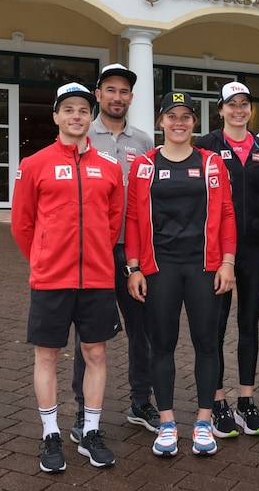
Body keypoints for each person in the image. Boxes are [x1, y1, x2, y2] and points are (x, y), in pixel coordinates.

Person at [11, 82, 123, 472]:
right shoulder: (34, 164)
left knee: (96, 354)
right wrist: (44, 258)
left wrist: (92, 256)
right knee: (47, 356)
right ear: (56, 116)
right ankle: (50, 435)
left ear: (91, 117)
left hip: (96, 280)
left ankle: (90, 431)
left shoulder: (109, 167)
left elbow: (113, 224)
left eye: (83, 110)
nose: (77, 116)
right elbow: (22, 225)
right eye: (69, 109)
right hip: (51, 280)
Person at [125, 91, 237, 457]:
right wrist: (134, 267)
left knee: (207, 344)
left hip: (204, 268)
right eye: (171, 116)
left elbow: (227, 214)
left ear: (194, 123)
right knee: (162, 346)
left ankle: (204, 421)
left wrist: (227, 262)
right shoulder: (144, 164)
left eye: (185, 116)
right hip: (160, 269)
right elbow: (132, 219)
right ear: (161, 122)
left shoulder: (210, 163)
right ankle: (168, 422)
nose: (178, 122)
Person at [70, 63, 158, 445]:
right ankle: (81, 411)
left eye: (123, 91)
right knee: (88, 335)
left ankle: (141, 402)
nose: (117, 97)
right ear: (99, 94)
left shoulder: (144, 140)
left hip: (134, 251)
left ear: (131, 98)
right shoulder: (82, 135)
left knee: (144, 331)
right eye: (110, 90)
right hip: (93, 251)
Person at [195, 82, 259, 438]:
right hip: (216, 251)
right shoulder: (205, 148)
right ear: (221, 109)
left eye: (244, 104)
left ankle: (246, 400)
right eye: (232, 104)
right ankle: (216, 402)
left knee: (249, 325)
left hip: (255, 250)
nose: (239, 110)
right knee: (215, 326)